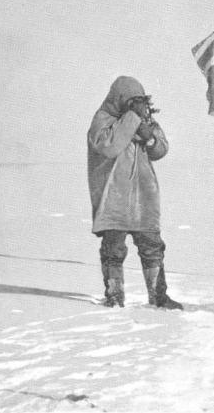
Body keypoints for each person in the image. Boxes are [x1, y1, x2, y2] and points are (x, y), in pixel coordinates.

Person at [87, 76, 182, 310]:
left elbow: (161, 149)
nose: (137, 105)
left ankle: (158, 296)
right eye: (132, 101)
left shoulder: (144, 120)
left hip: (143, 196)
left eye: (140, 101)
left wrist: (149, 136)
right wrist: (133, 120)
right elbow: (110, 146)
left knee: (153, 246)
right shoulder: (103, 120)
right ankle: (114, 296)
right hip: (114, 196)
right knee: (114, 248)